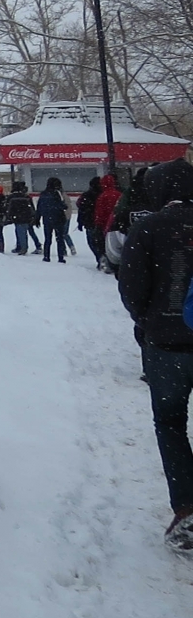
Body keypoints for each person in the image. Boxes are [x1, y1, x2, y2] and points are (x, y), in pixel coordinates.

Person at [115, 154, 193, 556]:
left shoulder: (148, 228)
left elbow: (130, 288)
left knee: (171, 423)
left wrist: (148, 322)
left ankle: (187, 508)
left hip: (166, 346)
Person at [37, 177, 71, 263]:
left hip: (47, 219)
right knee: (59, 238)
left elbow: (39, 207)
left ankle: (46, 256)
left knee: (47, 239)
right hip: (58, 218)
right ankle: (61, 257)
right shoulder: (57, 194)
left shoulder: (43, 194)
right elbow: (61, 205)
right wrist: (64, 206)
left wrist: (37, 218)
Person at [80, 175, 107, 270]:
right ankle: (104, 257)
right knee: (102, 242)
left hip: (90, 221)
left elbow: (81, 209)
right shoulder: (103, 194)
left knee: (92, 242)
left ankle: (100, 258)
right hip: (102, 222)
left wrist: (80, 222)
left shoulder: (87, 195)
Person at [7, 182, 38, 255]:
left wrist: (9, 216)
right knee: (28, 232)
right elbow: (31, 208)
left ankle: (22, 247)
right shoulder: (26, 197)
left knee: (20, 232)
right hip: (27, 217)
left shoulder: (12, 197)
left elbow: (8, 208)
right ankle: (37, 245)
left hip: (17, 217)